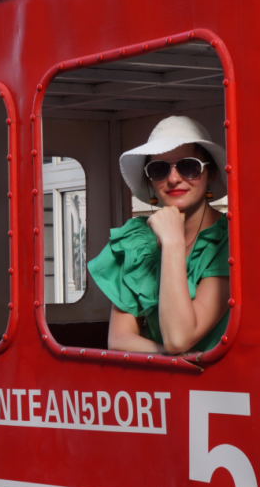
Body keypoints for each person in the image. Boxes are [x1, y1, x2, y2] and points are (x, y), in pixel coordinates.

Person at [88, 116, 230, 355]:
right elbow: (120, 339)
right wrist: (177, 358)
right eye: (159, 169)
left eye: (189, 166)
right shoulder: (136, 240)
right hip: (163, 387)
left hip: (226, 387)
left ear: (211, 175)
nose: (173, 178)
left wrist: (172, 241)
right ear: (151, 183)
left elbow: (179, 338)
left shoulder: (231, 242)